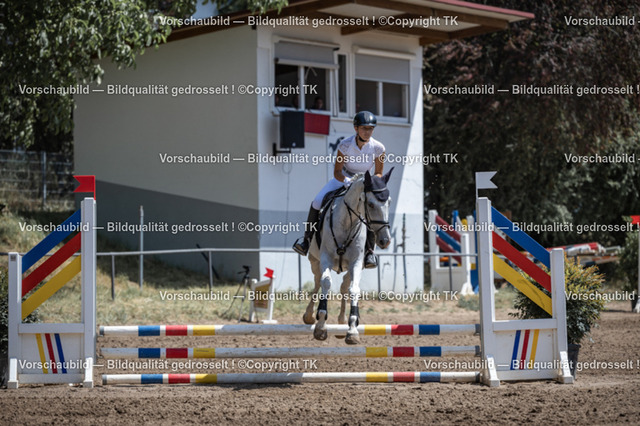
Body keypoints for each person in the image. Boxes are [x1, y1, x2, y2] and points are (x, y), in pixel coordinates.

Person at [293, 111, 385, 268]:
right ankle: (306, 240)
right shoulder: (345, 145)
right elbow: (337, 171)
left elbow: (379, 173)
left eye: (370, 129)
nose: (367, 132)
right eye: (364, 128)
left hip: (364, 182)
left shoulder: (378, 148)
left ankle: (370, 252)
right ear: (356, 128)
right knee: (317, 202)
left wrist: (368, 183)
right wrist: (348, 181)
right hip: (343, 178)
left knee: (371, 208)